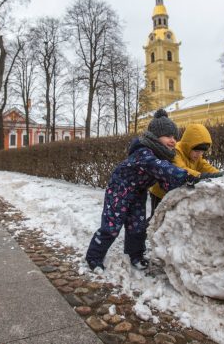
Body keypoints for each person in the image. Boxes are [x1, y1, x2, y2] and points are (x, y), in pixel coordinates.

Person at [85, 109, 198, 272]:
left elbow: (164, 178)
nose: (173, 141)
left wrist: (180, 186)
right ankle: (94, 257)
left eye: (175, 137)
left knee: (137, 226)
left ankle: (135, 255)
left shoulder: (162, 156)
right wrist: (187, 175)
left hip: (138, 192)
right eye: (169, 136)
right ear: (155, 136)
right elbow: (161, 168)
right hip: (119, 190)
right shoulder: (144, 152)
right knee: (111, 227)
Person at [148, 123, 222, 218]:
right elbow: (181, 169)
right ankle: (147, 232)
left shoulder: (196, 156)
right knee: (157, 218)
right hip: (160, 192)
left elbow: (205, 166)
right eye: (197, 151)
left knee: (171, 219)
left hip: (175, 191)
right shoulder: (175, 152)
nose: (199, 154)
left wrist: (220, 174)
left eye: (202, 152)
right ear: (188, 146)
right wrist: (202, 176)